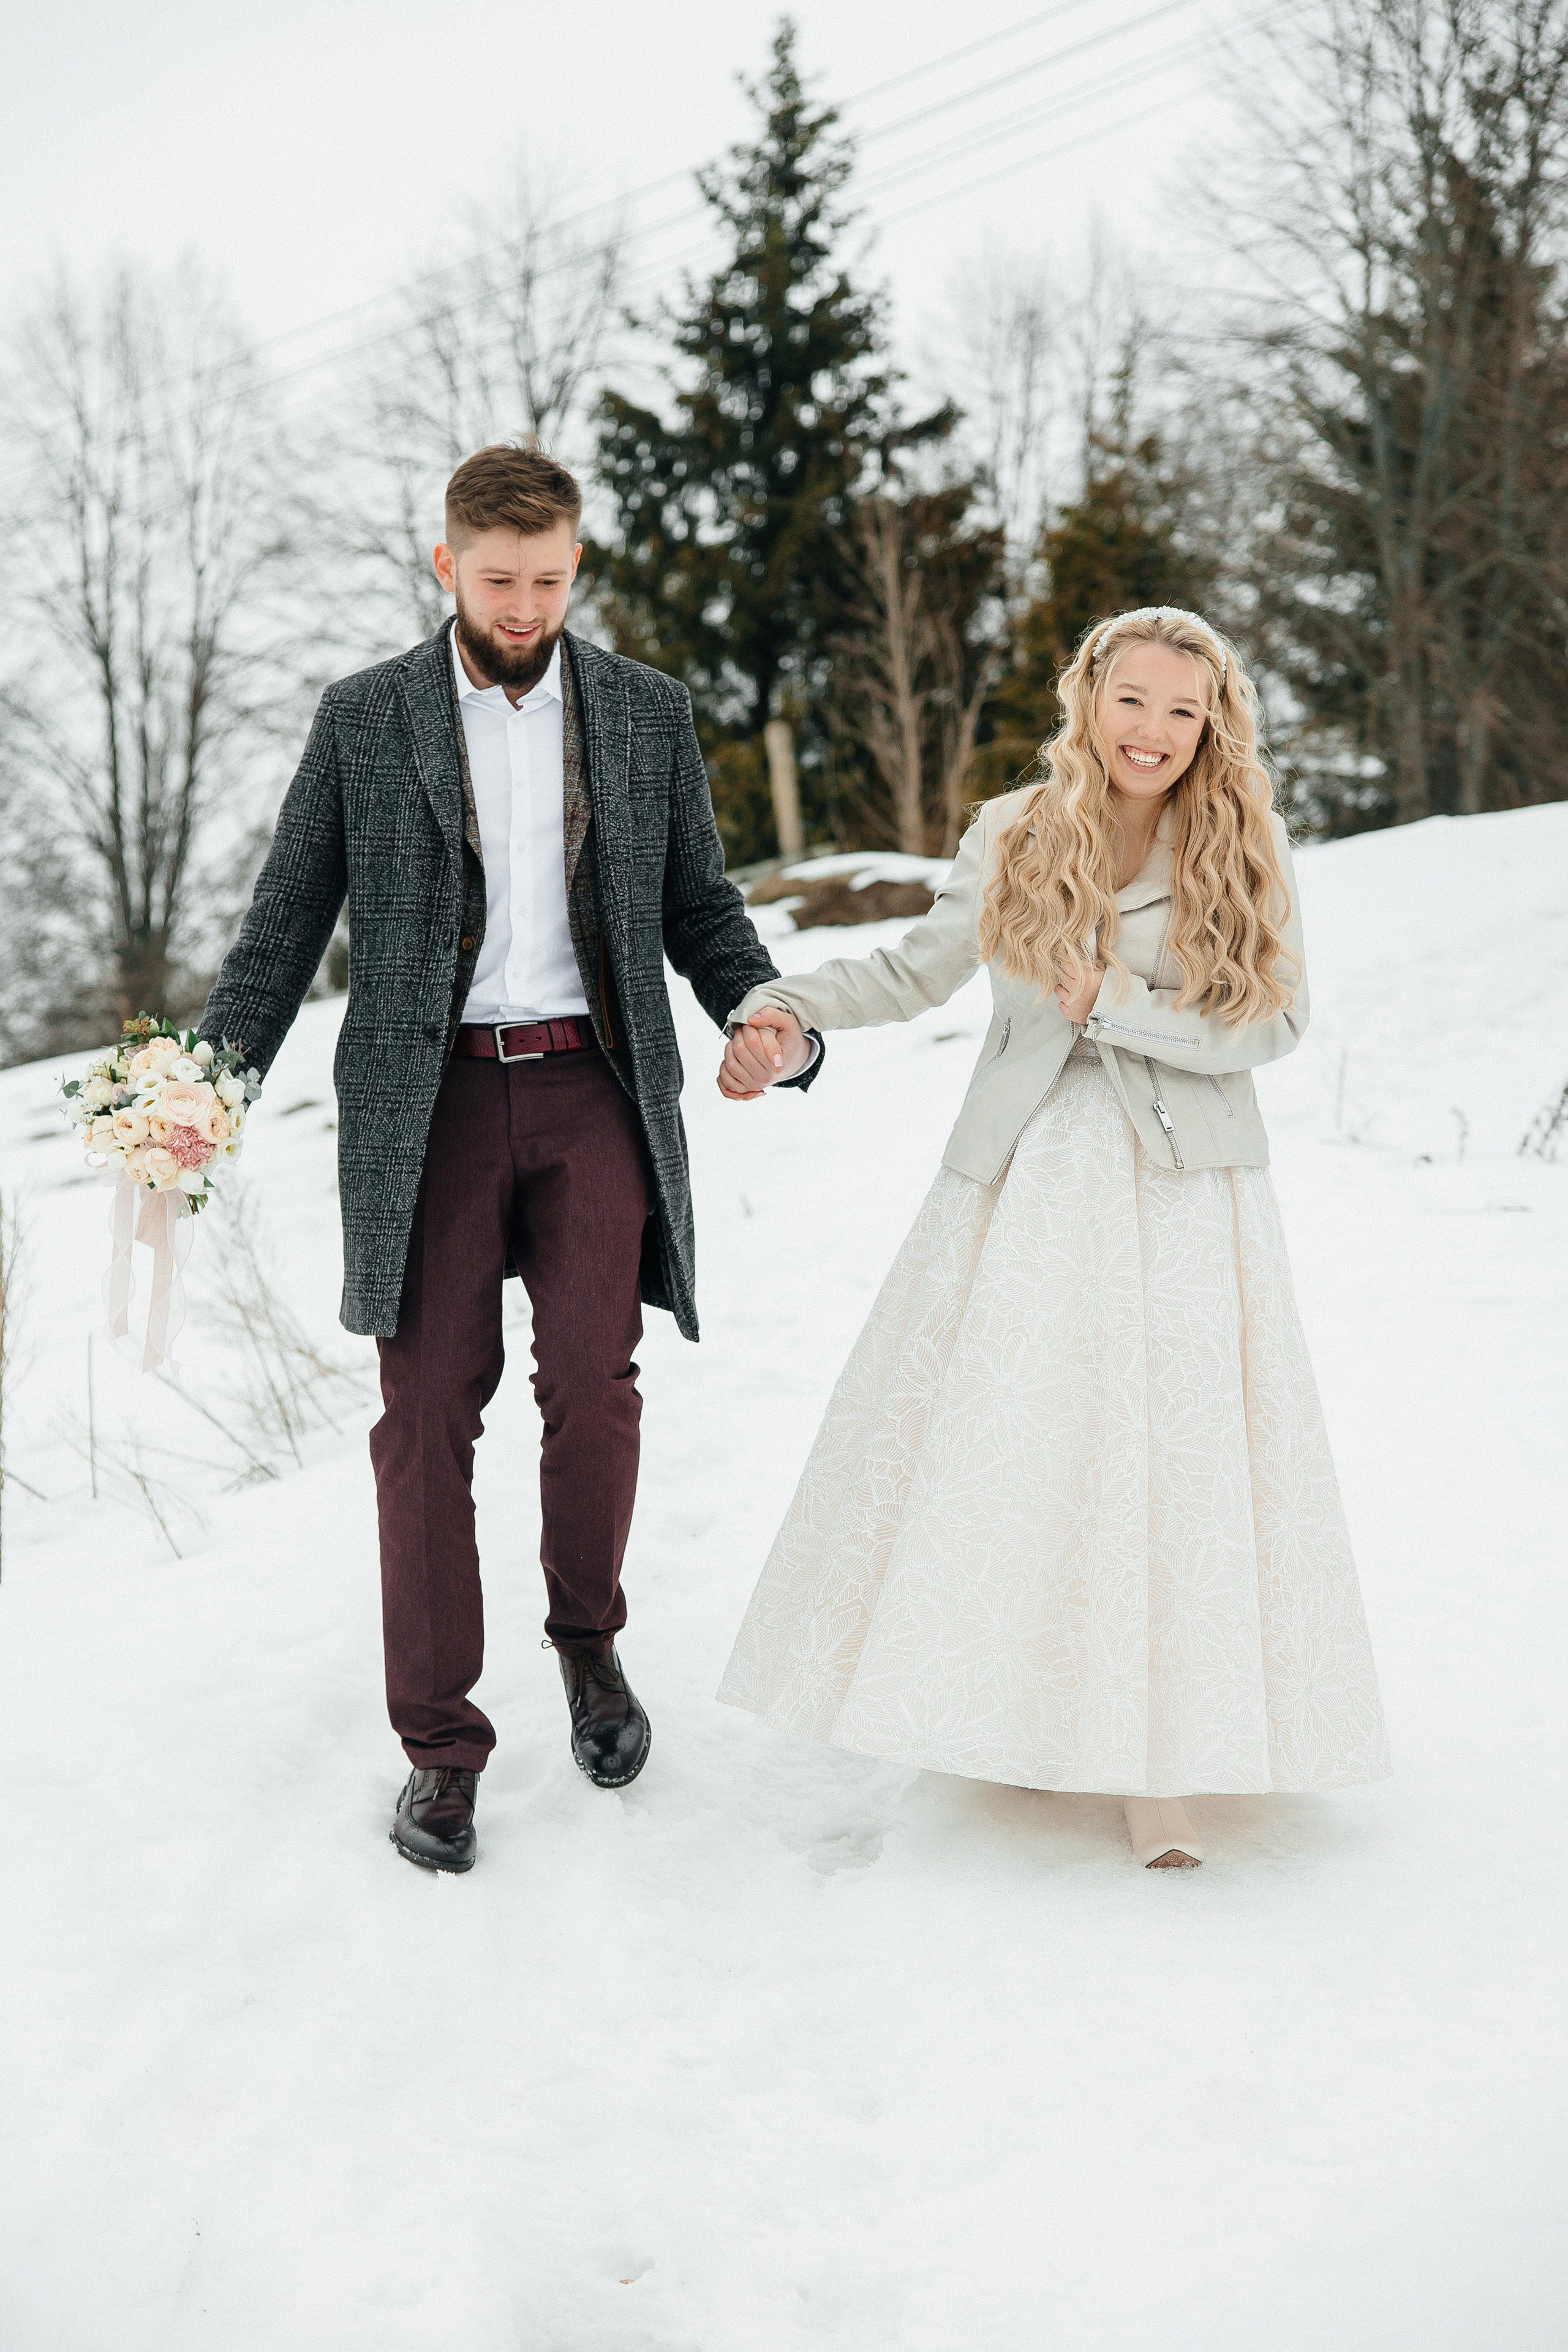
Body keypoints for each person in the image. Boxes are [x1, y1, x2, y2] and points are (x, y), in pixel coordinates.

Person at [200, 443, 821, 1874]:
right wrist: (204, 1088)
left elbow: (700, 909)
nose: (526, 603)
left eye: (549, 578)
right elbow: (284, 922)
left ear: (575, 566)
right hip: (431, 1109)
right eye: (499, 579)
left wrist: (767, 1012)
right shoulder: (364, 720)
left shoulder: (648, 716)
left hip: (594, 1092)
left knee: (595, 1391)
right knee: (424, 1414)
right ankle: (438, 1746)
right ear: (446, 568)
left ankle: (588, 1646)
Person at [713, 606, 1390, 1869]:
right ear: (1088, 699)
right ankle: (1018, 1713)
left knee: (1170, 1464)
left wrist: (1115, 1005)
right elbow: (914, 974)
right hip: (1030, 1184)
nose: (1152, 732)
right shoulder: (1013, 832)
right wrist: (780, 1010)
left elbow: (1272, 1029)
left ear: (1211, 723)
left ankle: (1159, 1776)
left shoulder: (1242, 839)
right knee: (1028, 1442)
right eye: (1131, 702)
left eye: (1181, 711)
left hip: (1189, 1191)